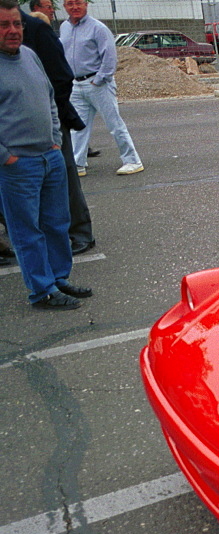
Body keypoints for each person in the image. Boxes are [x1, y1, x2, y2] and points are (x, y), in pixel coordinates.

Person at [0, 0, 91, 309]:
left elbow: (50, 98)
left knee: (55, 223)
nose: (13, 31)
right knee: (28, 232)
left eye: (16, 24)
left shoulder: (30, 56)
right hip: (17, 165)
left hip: (48, 156)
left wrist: (54, 138)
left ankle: (59, 279)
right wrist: (6, 157)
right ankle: (42, 290)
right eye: (4, 25)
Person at [20, 6, 94, 254]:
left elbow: (62, 77)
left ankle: (80, 232)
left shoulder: (37, 30)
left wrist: (50, 114)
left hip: (49, 120)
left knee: (64, 174)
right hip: (12, 125)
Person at [60, 0, 143, 176]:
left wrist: (98, 80)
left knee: (114, 124)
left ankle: (132, 160)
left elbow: (109, 57)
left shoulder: (98, 28)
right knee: (78, 127)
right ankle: (77, 163)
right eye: (70, 3)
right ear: (64, 6)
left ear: (86, 4)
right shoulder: (64, 28)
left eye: (78, 3)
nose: (74, 7)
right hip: (75, 85)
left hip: (97, 84)